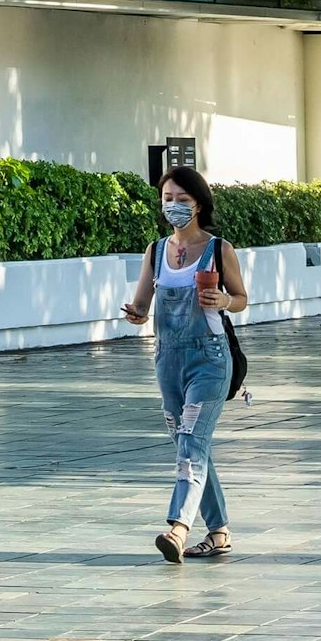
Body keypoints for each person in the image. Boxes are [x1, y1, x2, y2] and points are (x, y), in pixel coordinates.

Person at [119, 162, 248, 560]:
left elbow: (241, 299)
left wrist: (224, 300)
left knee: (191, 440)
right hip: (167, 359)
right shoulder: (155, 251)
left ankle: (177, 527)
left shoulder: (217, 249)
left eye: (182, 199)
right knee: (191, 444)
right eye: (167, 199)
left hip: (210, 358)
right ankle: (220, 531)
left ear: (199, 204)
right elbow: (142, 304)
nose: (173, 205)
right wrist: (136, 314)